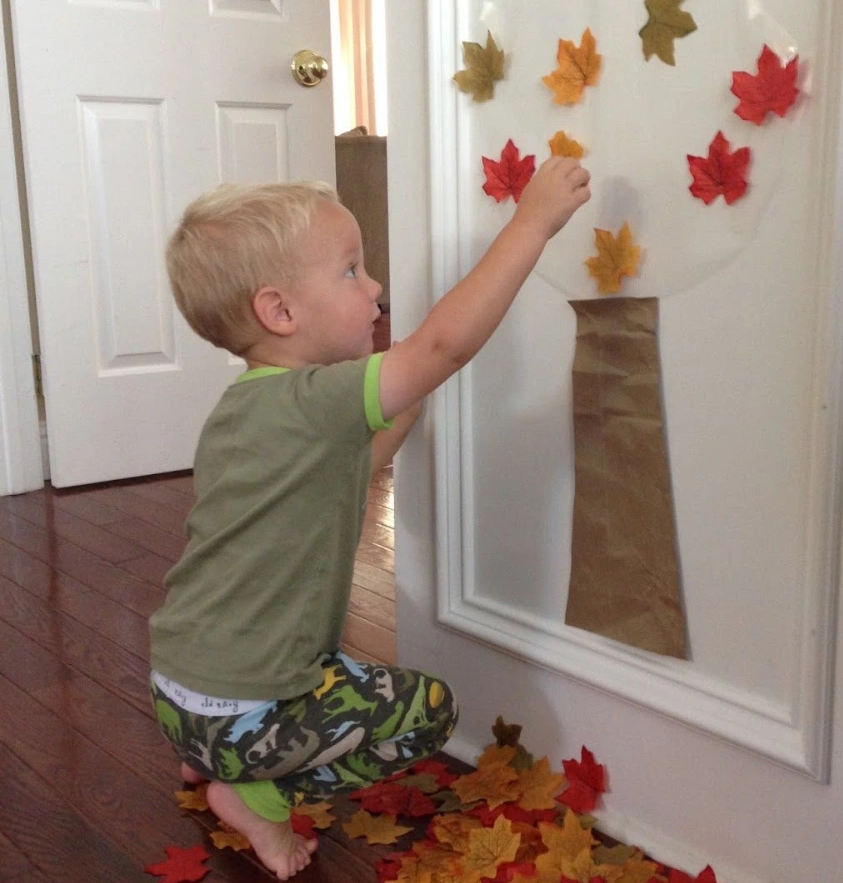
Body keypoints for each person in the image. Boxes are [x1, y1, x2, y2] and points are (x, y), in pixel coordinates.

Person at [148, 156, 591, 879]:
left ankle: (216, 756)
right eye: (351, 272)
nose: (376, 287)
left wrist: (408, 397)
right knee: (427, 711)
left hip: (178, 688)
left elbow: (363, 460)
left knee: (334, 674)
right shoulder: (316, 400)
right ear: (280, 312)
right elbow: (442, 347)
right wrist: (532, 222)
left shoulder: (247, 410)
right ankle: (255, 791)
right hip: (238, 713)